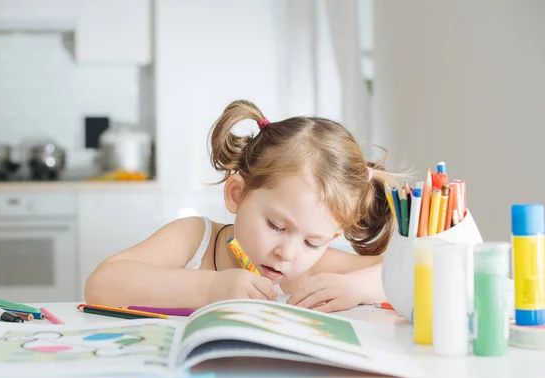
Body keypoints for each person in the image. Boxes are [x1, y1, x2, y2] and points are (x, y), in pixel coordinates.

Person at [85, 100, 403, 312]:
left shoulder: (310, 268)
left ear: (330, 239)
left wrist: (357, 288)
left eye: (312, 242)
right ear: (237, 194)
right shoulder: (194, 238)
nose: (288, 253)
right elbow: (101, 285)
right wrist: (211, 288)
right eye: (276, 226)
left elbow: (406, 273)